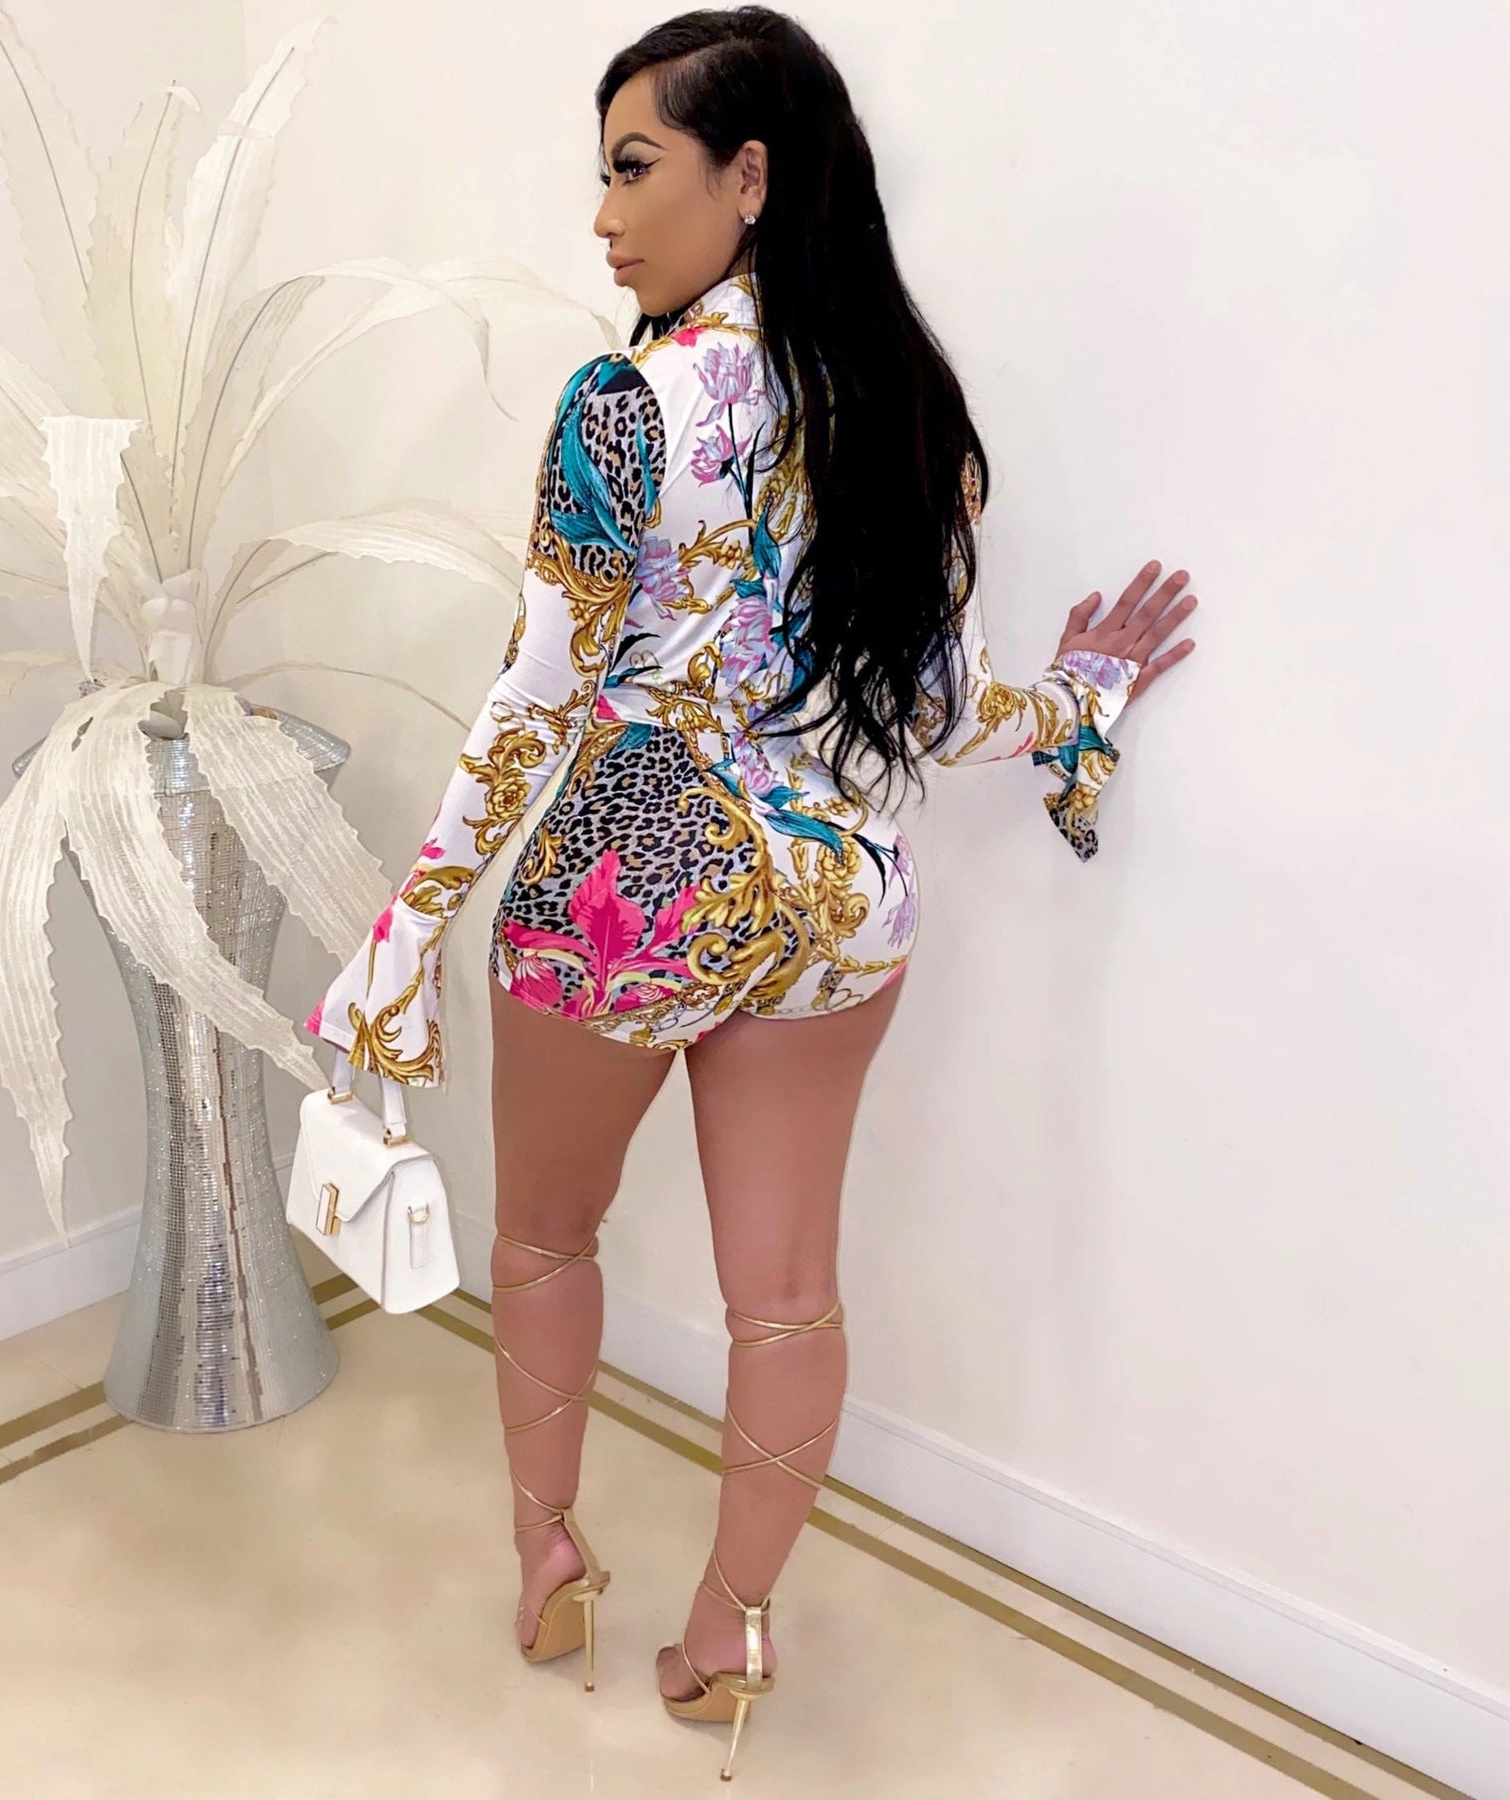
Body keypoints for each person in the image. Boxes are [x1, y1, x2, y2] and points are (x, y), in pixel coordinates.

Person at [306, 5, 1197, 1779]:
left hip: (631, 890)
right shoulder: (912, 410)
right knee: (786, 1298)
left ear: (752, 177)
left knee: (544, 1239)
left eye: (634, 167)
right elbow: (935, 716)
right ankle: (729, 1637)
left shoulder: (624, 406)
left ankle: (550, 1558)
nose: (602, 216)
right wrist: (1080, 706)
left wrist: (404, 935)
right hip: (837, 902)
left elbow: (536, 696)